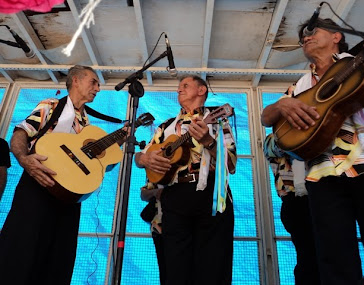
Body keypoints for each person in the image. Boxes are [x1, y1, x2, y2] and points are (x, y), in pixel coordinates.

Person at [261, 18, 364, 285]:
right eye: (303, 36)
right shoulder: (302, 85)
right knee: (333, 257)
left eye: (313, 31)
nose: (306, 37)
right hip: (321, 175)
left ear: (337, 35)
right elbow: (266, 117)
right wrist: (282, 106)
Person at [0, 65, 128, 284]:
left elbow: (101, 167)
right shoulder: (52, 106)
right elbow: (21, 132)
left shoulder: (87, 125)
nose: (98, 88)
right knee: (21, 251)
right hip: (38, 186)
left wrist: (115, 146)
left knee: (59, 259)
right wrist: (24, 160)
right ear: (76, 81)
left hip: (69, 198)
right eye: (93, 82)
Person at [135, 75, 237, 285]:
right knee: (175, 266)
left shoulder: (218, 120)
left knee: (213, 264)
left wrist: (209, 141)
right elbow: (139, 158)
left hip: (211, 195)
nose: (179, 89)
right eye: (179, 86)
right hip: (174, 196)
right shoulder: (166, 126)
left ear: (201, 91)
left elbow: (231, 165)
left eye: (185, 85)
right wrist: (144, 158)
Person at [263, 133, 320, 285]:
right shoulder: (273, 140)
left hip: (321, 196)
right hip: (296, 201)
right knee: (308, 256)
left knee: (327, 254)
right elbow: (283, 146)